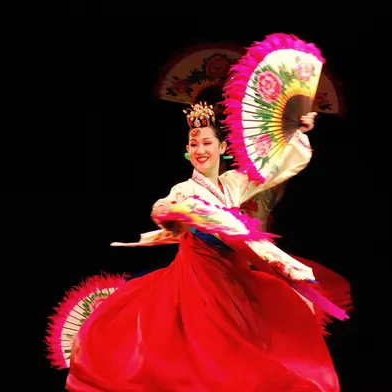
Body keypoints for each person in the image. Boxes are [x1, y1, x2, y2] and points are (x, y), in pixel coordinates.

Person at [65, 103, 348, 391]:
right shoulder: (185, 189)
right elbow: (166, 207)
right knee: (204, 360)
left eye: (207, 142)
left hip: (234, 282)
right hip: (198, 285)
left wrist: (297, 132)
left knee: (252, 350)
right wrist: (165, 212)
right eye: (194, 144)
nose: (200, 150)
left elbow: (273, 169)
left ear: (222, 146)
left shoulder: (234, 184)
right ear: (187, 150)